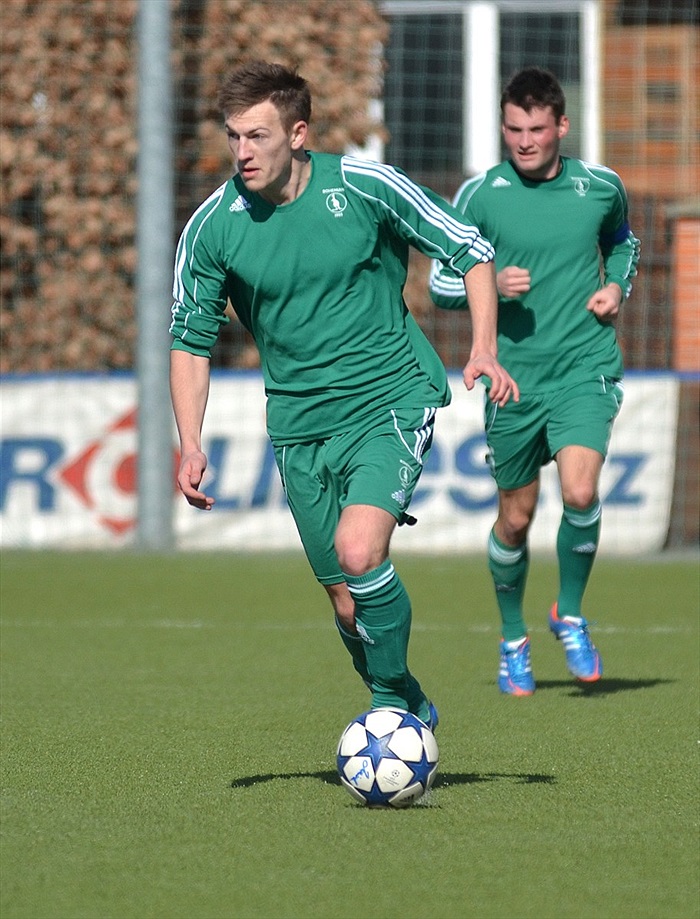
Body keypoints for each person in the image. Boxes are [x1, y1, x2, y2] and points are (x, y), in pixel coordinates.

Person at [169, 60, 519, 728]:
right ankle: (404, 692)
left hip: (387, 396)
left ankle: (388, 708)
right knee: (346, 600)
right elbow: (189, 340)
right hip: (298, 424)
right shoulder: (213, 227)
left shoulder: (363, 184)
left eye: (258, 136)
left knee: (361, 551)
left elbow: (469, 249)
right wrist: (189, 442)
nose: (242, 152)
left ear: (298, 134)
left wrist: (482, 346)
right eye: (234, 136)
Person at [430, 66, 640, 695]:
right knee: (515, 521)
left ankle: (569, 614)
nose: (524, 141)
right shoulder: (480, 195)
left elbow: (623, 244)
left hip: (584, 367)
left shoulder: (600, 187)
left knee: (580, 492)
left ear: (561, 127)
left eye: (536, 129)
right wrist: (487, 283)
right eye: (513, 129)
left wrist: (613, 287)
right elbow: (441, 283)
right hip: (512, 382)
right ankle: (513, 637)